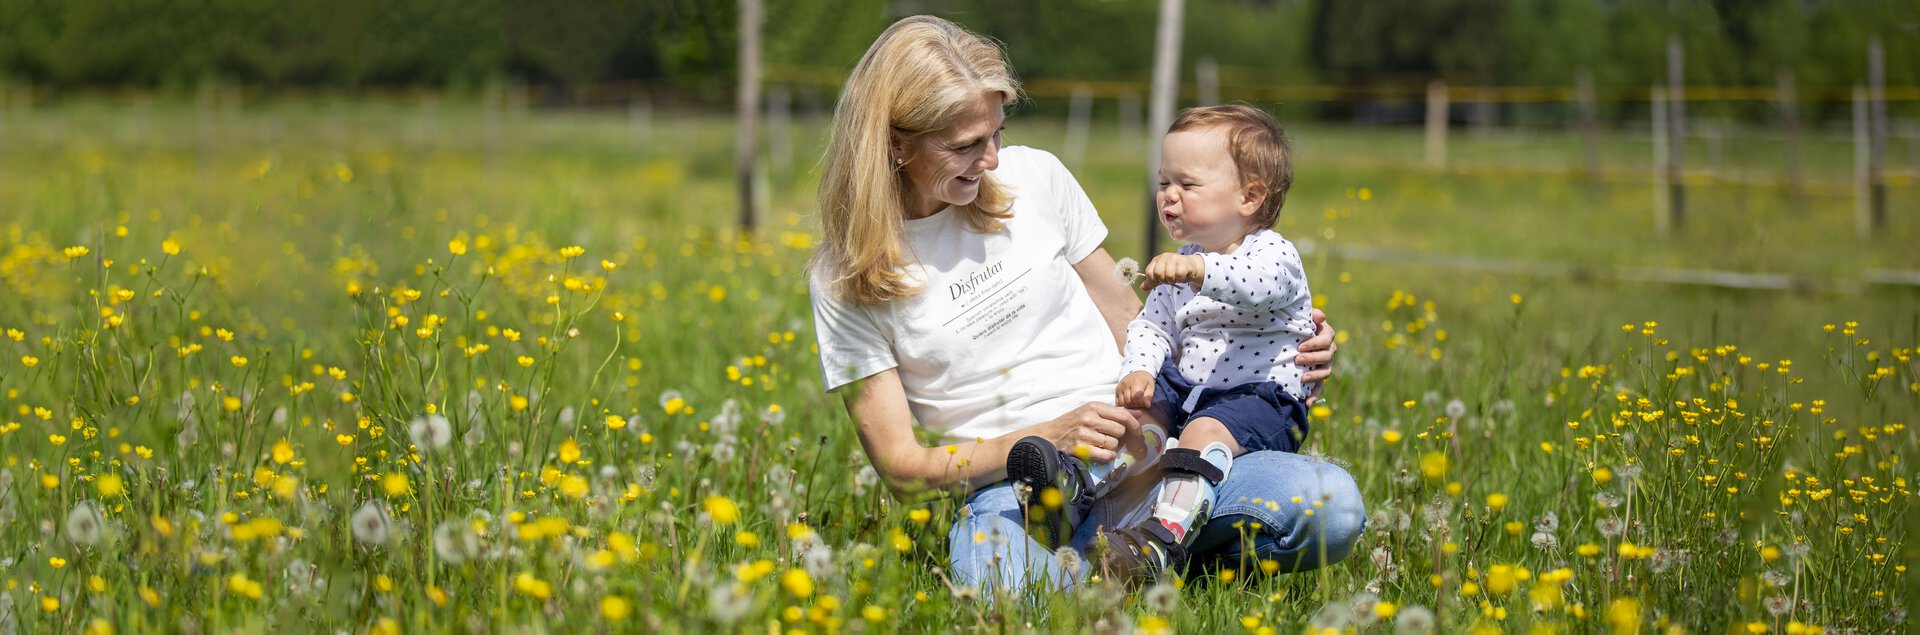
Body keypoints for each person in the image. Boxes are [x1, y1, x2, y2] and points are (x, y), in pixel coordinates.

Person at [807, 15, 1363, 597]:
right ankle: (1142, 563)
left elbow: (1137, 323)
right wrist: (1046, 436)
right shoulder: (844, 277)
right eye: (967, 145)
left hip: (1144, 450)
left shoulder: (1037, 177)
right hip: (1014, 485)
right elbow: (901, 469)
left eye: (996, 132)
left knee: (1334, 509)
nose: (993, 158)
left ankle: (1125, 551)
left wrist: (1271, 345)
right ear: (896, 143)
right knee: (994, 573)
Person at [1006, 104, 1319, 580]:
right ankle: (1076, 488)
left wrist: (1200, 271)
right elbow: (1151, 327)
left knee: (1202, 434)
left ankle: (1161, 539)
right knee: (1137, 416)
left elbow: (1260, 286)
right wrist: (1140, 369)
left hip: (1259, 398)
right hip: (1191, 389)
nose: (1168, 196)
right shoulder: (1182, 262)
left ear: (1249, 196)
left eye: (1186, 185)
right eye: (1162, 182)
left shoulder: (1271, 251)